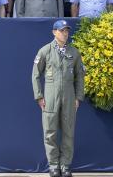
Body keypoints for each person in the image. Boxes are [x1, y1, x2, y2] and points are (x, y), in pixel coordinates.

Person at [32, 20, 84, 177]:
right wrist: (39, 96)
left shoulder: (74, 52)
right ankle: (54, 165)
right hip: (50, 98)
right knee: (50, 132)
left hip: (69, 97)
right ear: (54, 32)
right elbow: (35, 75)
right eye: (62, 31)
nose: (65, 33)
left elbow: (80, 77)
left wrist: (78, 97)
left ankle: (65, 165)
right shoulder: (45, 51)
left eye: (67, 31)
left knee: (68, 131)